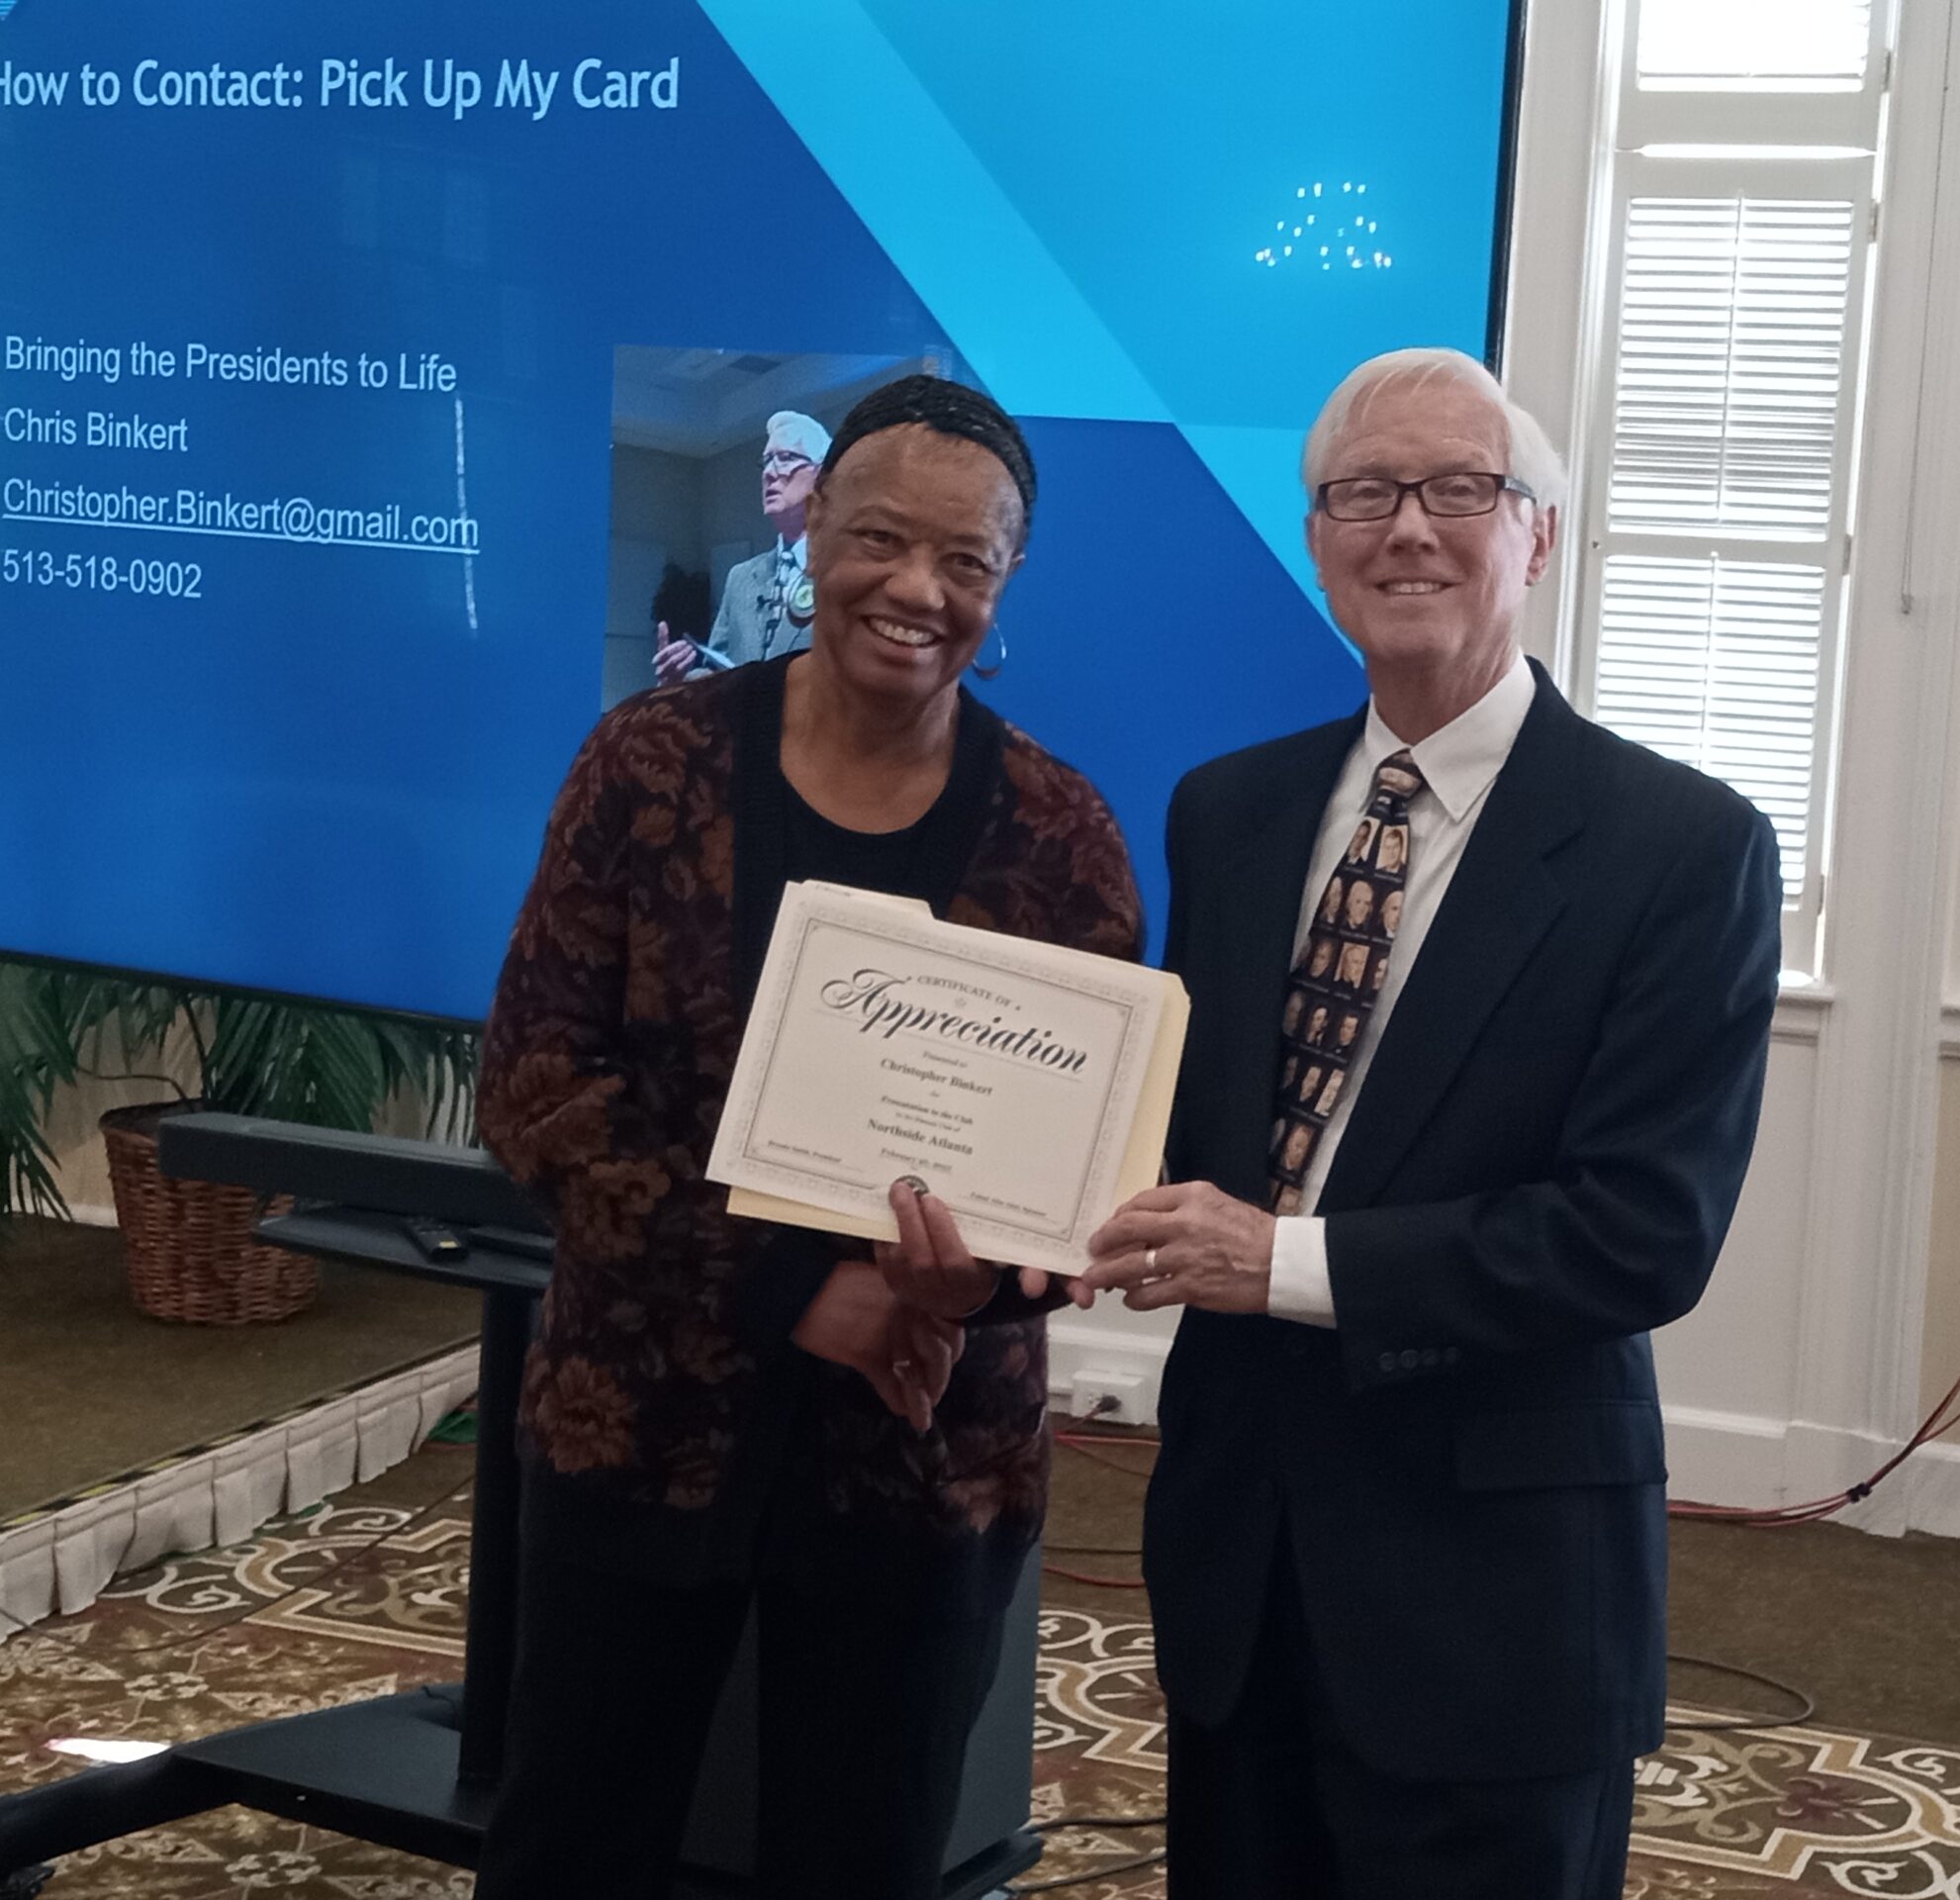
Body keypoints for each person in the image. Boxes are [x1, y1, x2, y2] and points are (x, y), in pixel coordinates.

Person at [1079, 347, 1781, 1899]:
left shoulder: (1683, 849)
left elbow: (1639, 1236)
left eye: (1461, 487)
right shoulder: (1229, 811)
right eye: (1363, 494)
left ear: (1538, 535)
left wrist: (1279, 1263)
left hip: (1495, 1605)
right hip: (1241, 1565)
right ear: (1318, 540)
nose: (1407, 527)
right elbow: (1192, 1132)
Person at [475, 374, 1143, 1900]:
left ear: (1007, 580)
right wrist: (800, 1290)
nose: (918, 590)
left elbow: (1074, 1178)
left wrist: (980, 1286)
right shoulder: (646, 765)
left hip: (921, 1458)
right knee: (572, 1850)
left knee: (867, 1864)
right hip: (636, 1421)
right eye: (882, 539)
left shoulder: (1060, 837)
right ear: (814, 530)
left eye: (966, 561)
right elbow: (536, 1086)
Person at [655, 409, 832, 682]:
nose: (770, 473)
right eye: (767, 461)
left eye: (785, 458)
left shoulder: (839, 571)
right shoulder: (741, 579)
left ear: (820, 476)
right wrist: (678, 680)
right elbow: (716, 675)